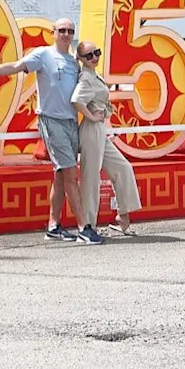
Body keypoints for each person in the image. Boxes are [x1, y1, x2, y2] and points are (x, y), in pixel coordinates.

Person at [0, 18, 102, 245]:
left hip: (70, 122)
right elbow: (15, 67)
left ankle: (53, 226)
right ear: (53, 32)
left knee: (60, 175)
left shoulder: (73, 62)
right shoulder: (43, 55)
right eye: (62, 30)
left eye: (70, 31)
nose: (66, 34)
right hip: (51, 120)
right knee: (70, 174)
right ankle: (83, 228)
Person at [71, 41, 142, 236]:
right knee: (91, 178)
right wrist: (91, 115)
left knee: (123, 168)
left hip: (99, 128)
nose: (94, 57)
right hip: (91, 129)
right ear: (81, 59)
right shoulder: (86, 77)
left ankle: (123, 214)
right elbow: (77, 100)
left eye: (97, 53)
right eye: (89, 55)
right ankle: (88, 226)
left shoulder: (94, 75)